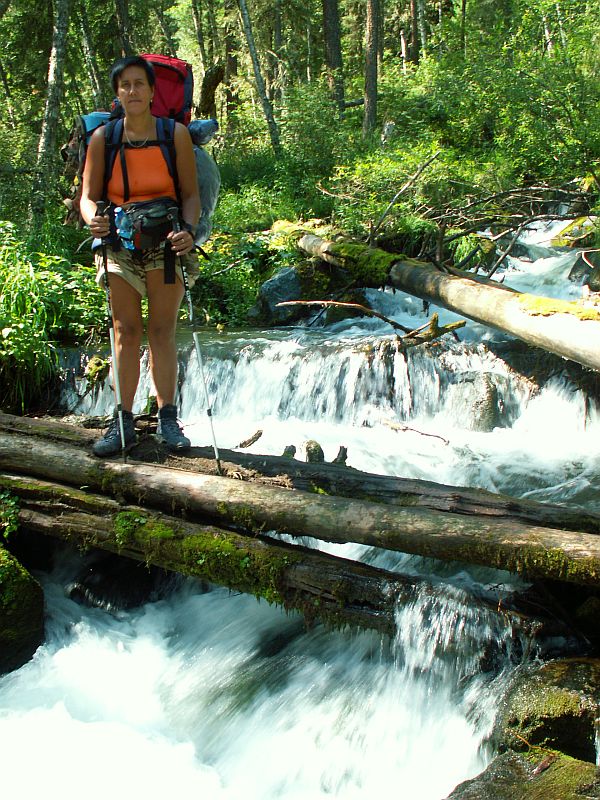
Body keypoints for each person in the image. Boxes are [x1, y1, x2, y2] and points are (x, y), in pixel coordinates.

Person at [80, 55, 201, 457]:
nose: (132, 91)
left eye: (139, 84)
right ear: (117, 94)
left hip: (167, 243)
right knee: (125, 331)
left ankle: (168, 420)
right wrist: (93, 221)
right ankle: (122, 423)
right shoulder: (104, 139)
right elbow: (88, 197)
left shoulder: (174, 135)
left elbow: (190, 195)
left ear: (151, 92)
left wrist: (188, 231)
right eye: (125, 85)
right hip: (118, 243)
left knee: (162, 331)